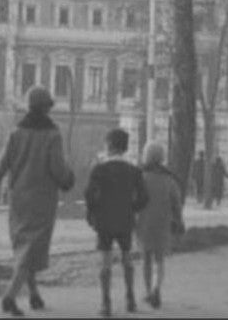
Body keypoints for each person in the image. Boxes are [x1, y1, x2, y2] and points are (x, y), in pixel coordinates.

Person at [0, 87, 75, 317]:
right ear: (46, 106)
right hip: (42, 198)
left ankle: (34, 294)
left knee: (24, 246)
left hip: (18, 197)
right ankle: (10, 295)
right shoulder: (53, 134)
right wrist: (68, 178)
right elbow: (57, 168)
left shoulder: (16, 132)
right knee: (31, 249)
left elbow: (1, 164)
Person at [84, 128, 148, 317]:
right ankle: (130, 299)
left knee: (105, 262)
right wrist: (132, 207)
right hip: (125, 220)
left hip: (104, 221)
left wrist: (93, 212)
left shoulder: (99, 169)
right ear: (125, 148)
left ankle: (106, 303)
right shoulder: (134, 171)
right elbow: (144, 197)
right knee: (127, 259)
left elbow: (88, 194)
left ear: (110, 145)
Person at [135, 142, 185, 310]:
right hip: (163, 222)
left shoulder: (140, 177)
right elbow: (177, 203)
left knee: (146, 259)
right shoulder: (169, 179)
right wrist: (178, 220)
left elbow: (132, 200)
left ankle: (148, 292)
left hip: (143, 222)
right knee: (160, 259)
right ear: (162, 157)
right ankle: (157, 288)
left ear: (146, 155)